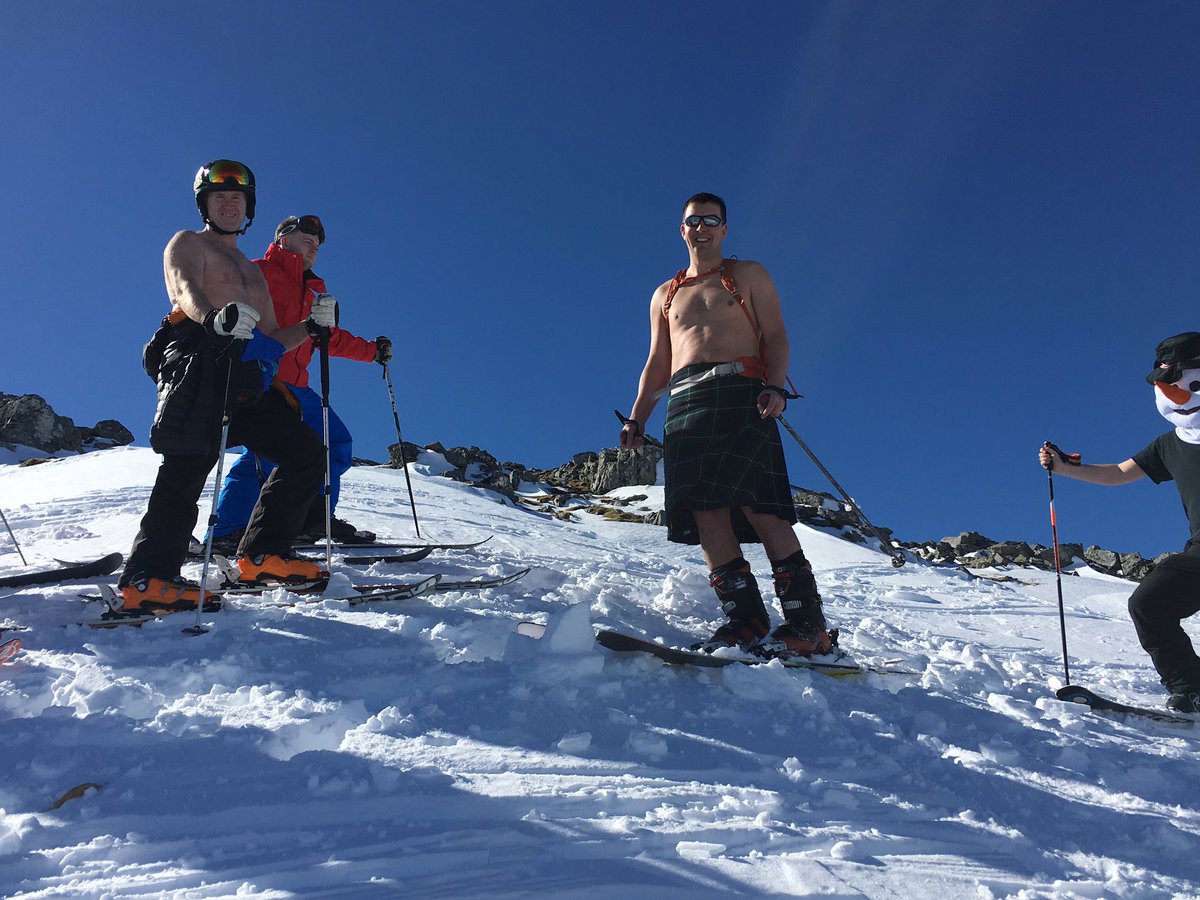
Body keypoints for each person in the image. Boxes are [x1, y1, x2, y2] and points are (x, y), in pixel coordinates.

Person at [618, 192, 832, 657]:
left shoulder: (748, 275)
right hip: (685, 403)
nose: (702, 228)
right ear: (682, 229)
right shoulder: (665, 294)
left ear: (724, 230)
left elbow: (775, 333)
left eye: (711, 221)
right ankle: (746, 620)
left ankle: (807, 625)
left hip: (742, 392)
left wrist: (775, 387)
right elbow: (658, 362)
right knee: (704, 511)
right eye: (693, 221)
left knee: (762, 506)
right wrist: (638, 417)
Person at [118, 160, 332, 613]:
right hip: (202, 358)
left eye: (237, 197)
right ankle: (148, 578)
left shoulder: (252, 272)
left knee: (306, 452)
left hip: (249, 372)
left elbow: (273, 337)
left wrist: (312, 328)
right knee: (189, 465)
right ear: (205, 203)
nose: (229, 202)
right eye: (220, 196)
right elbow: (186, 292)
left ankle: (263, 555)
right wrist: (215, 318)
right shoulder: (189, 243)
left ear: (248, 206)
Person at [1039, 331, 1200, 713]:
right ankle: (1192, 690)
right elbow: (1118, 473)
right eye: (1169, 385)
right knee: (1150, 603)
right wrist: (1063, 468)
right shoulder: (1170, 445)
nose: (1179, 394)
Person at [211, 214, 392, 547]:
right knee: (262, 455)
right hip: (262, 379)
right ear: (282, 238)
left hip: (298, 386)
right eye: (307, 240)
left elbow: (329, 339)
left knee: (334, 444)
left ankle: (313, 519)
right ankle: (229, 529)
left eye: (318, 246)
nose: (313, 249)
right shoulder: (258, 272)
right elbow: (225, 310)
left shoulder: (314, 291)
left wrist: (372, 352)